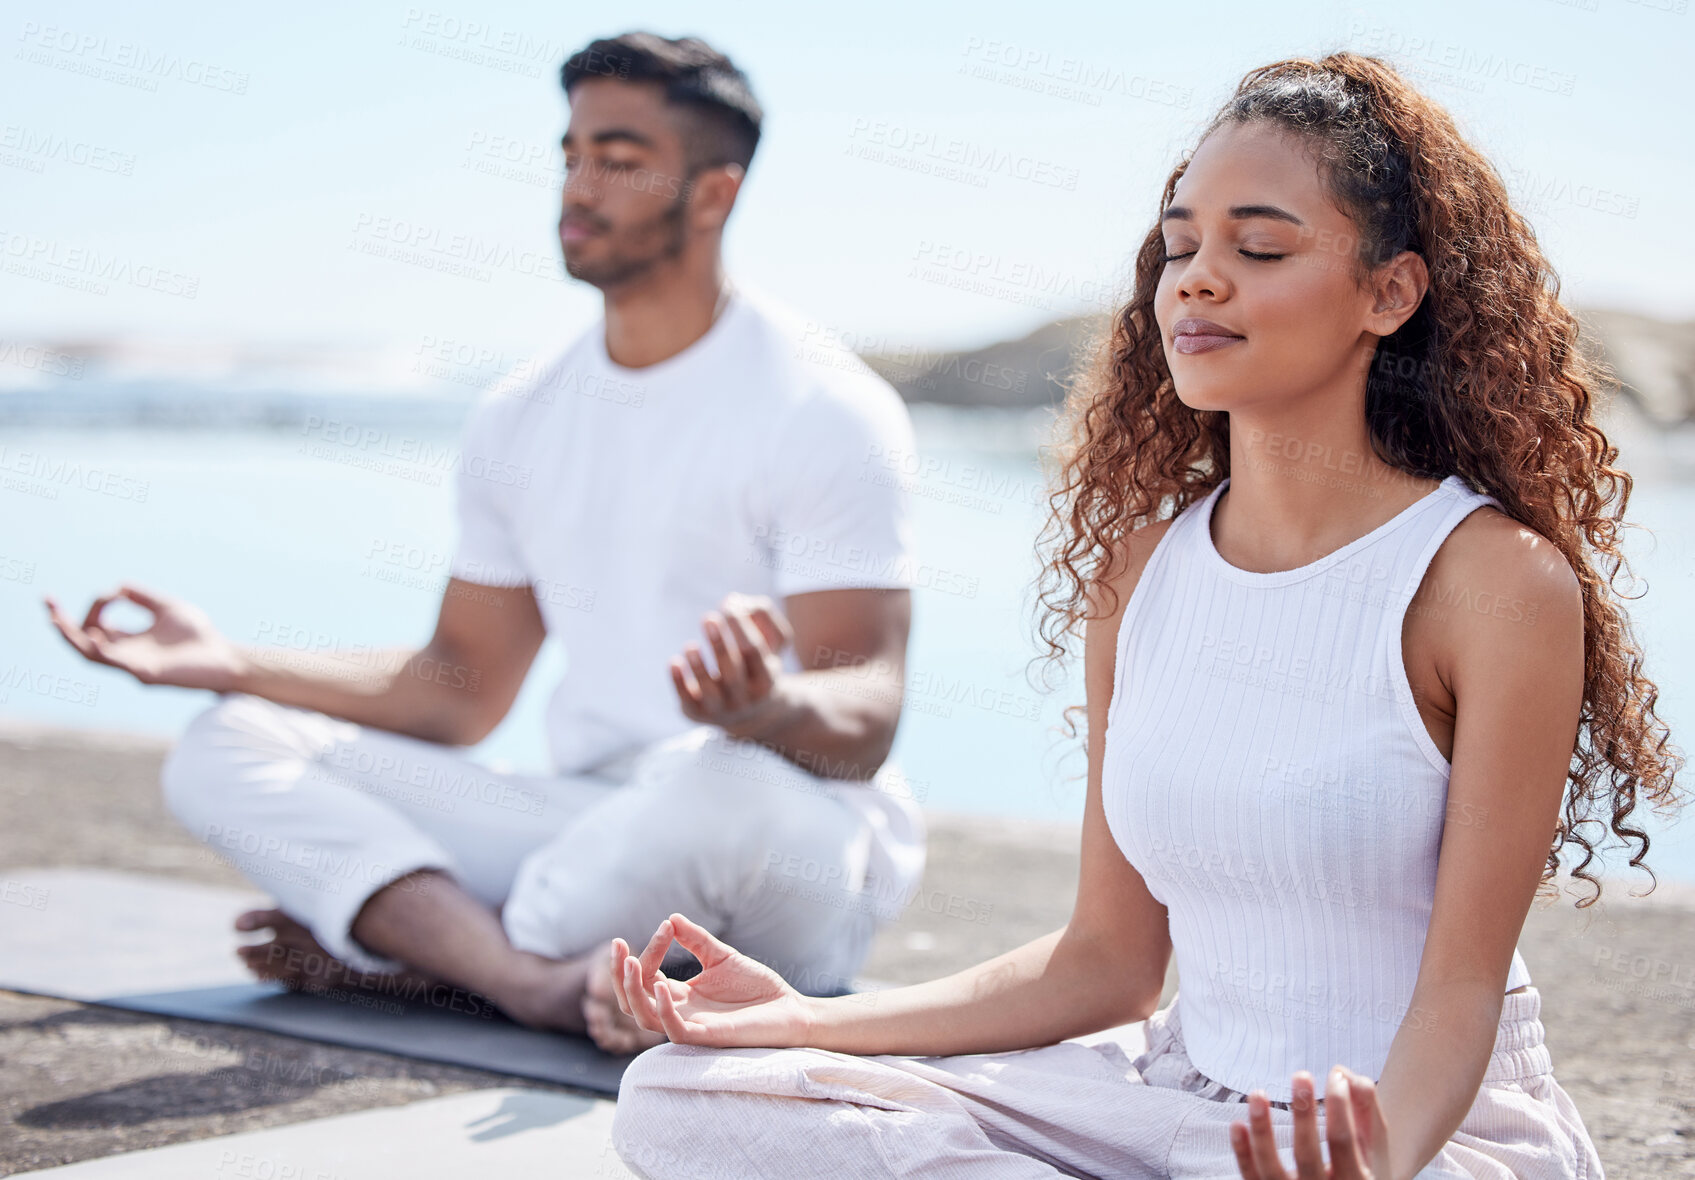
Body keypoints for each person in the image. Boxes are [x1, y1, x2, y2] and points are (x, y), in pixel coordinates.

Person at [604, 53, 1682, 1177]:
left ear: (1390, 292)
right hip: (1174, 1097)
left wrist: (1372, 1160)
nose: (1197, 281)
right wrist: (797, 1017)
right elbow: (1105, 964)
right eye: (1180, 247)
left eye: (1257, 248)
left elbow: (1460, 994)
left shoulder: (1491, 582)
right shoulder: (1142, 572)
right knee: (685, 1091)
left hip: (1417, 1133)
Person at [44, 32, 925, 1055]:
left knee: (711, 782)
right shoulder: (521, 414)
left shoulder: (824, 406)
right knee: (225, 742)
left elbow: (867, 712)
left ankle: (428, 959)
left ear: (714, 194)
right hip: (584, 829)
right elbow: (460, 688)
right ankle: (526, 980)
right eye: (571, 154)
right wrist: (232, 662)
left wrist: (765, 706)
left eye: (621, 158)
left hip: (783, 835)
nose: (579, 186)